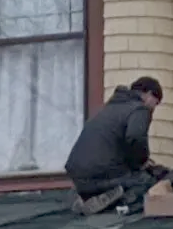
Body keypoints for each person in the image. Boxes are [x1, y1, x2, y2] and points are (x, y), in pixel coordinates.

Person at [65, 77, 165, 214]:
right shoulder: (140, 109)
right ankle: (109, 203)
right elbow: (135, 137)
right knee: (146, 181)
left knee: (125, 176)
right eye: (156, 102)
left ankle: (86, 197)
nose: (154, 108)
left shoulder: (110, 108)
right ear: (148, 94)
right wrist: (141, 163)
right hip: (103, 171)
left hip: (79, 176)